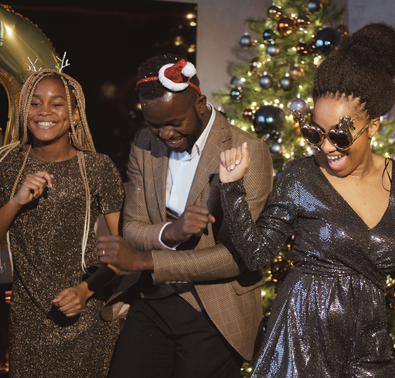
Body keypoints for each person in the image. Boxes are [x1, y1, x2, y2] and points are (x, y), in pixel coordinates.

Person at [218, 23, 395, 377]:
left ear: (374, 126)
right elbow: (256, 253)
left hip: (369, 345)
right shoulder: (301, 176)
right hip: (300, 342)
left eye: (339, 135)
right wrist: (232, 189)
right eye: (315, 133)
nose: (327, 146)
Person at [96, 54, 273, 377]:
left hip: (213, 310)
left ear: (201, 103)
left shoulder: (249, 151)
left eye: (175, 123)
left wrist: (148, 261)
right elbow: (133, 228)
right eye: (155, 125)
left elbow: (238, 257)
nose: (164, 134)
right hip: (151, 300)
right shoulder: (143, 143)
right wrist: (171, 232)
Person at [0, 69, 124, 377]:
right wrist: (16, 201)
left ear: (74, 114)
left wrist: (85, 291)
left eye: (56, 104)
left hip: (88, 316)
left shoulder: (98, 168)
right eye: (35, 103)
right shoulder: (7, 165)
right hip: (28, 321)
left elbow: (123, 253)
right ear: (24, 111)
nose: (44, 111)